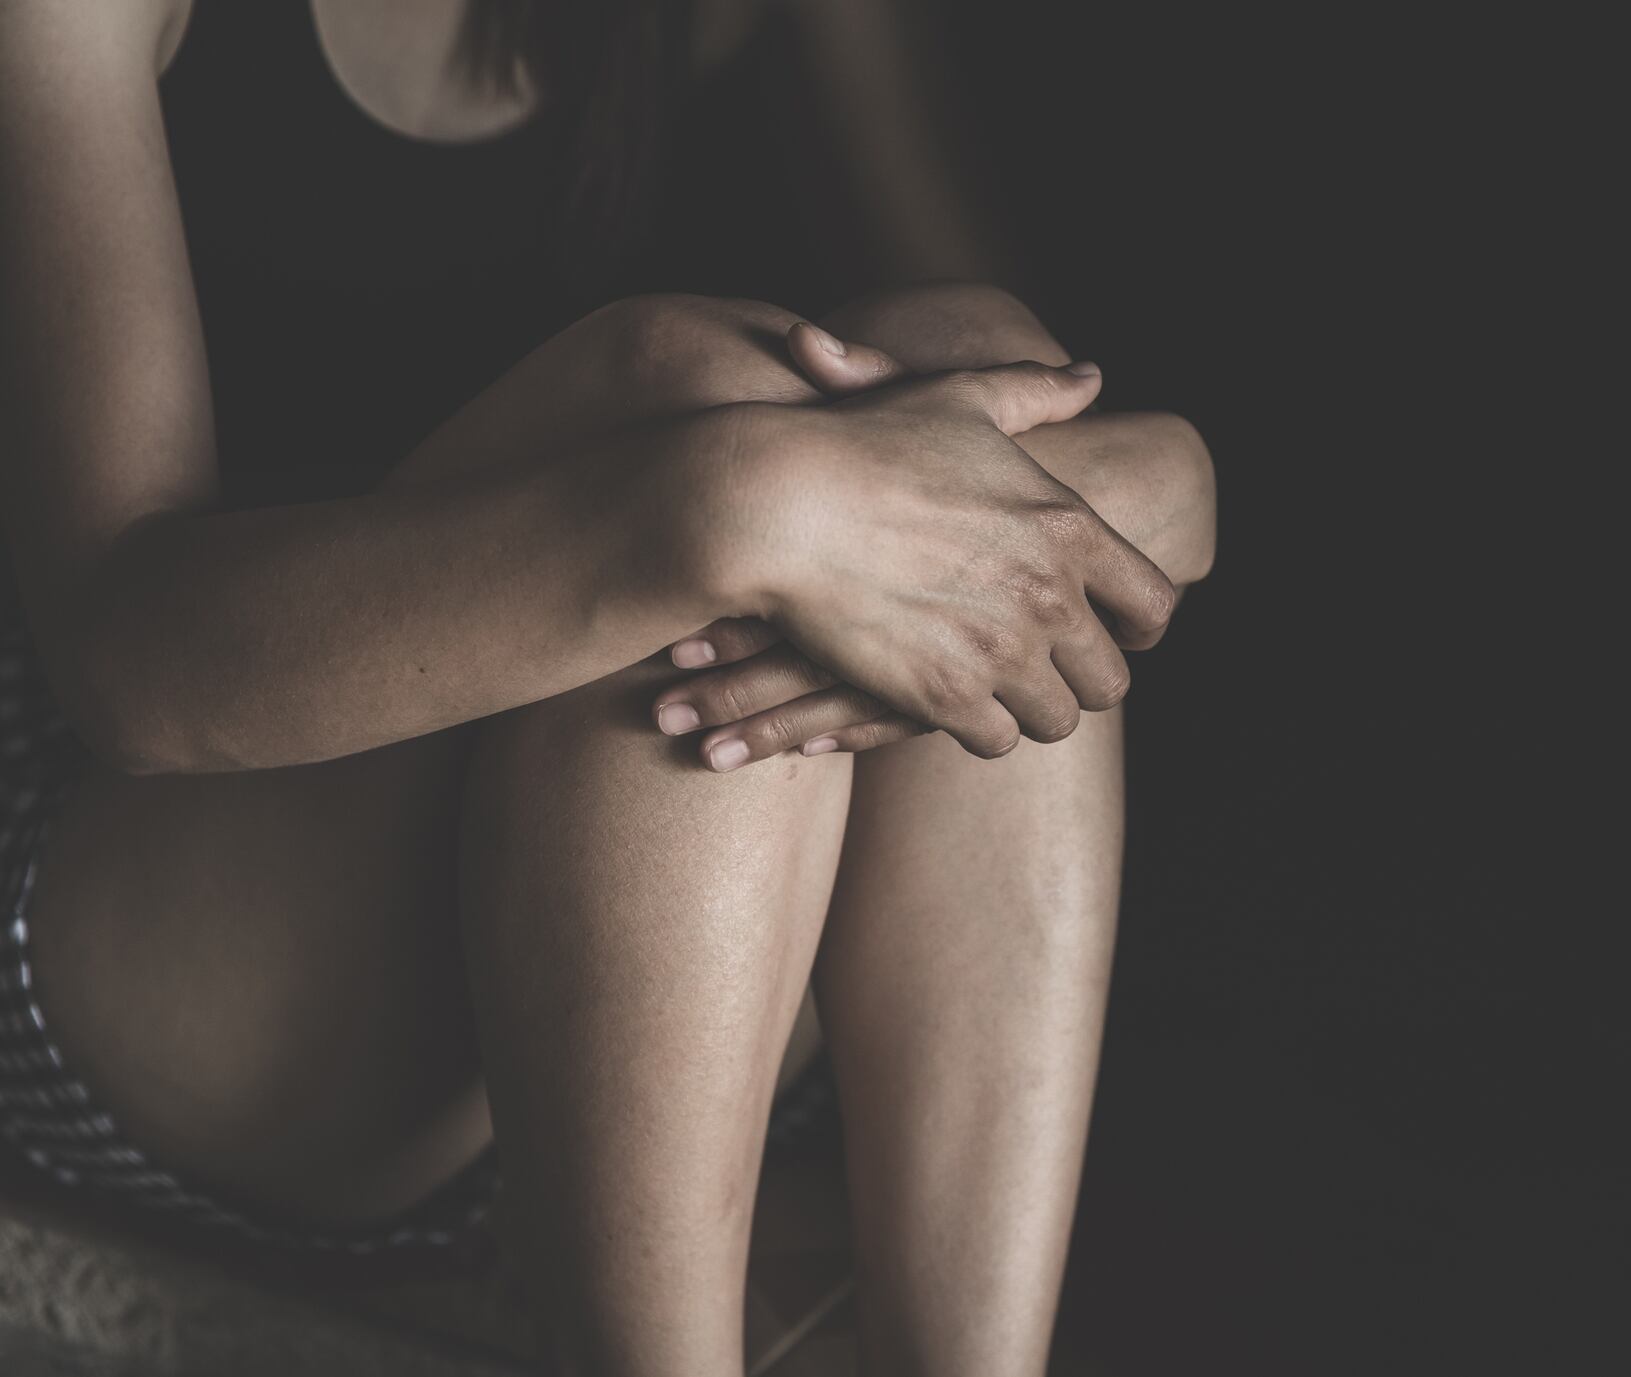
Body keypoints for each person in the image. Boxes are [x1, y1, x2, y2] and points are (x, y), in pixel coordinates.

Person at [0, 2, 1217, 1374]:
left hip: (619, 1000)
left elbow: (1021, 426)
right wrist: (712, 507)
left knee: (949, 385)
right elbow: (129, 666)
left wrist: (1155, 482)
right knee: (696, 424)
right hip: (172, 947)